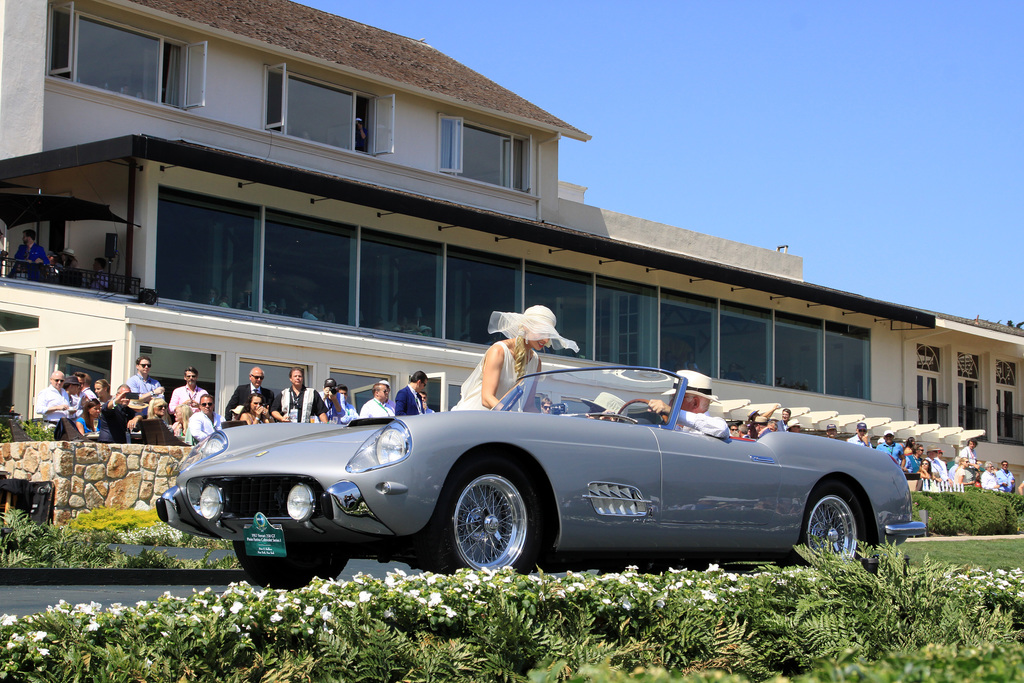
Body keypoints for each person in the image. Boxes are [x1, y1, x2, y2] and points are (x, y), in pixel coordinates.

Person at [452, 305, 578, 411]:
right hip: (471, 420)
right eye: (542, 332)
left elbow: (528, 406)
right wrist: (511, 418)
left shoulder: (536, 362)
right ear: (526, 327)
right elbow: (486, 398)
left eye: (549, 334)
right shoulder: (499, 351)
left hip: (499, 424)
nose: (546, 340)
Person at [646, 370, 729, 439]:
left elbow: (721, 429)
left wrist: (672, 412)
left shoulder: (714, 426)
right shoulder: (674, 425)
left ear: (695, 403)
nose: (671, 403)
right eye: (672, 398)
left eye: (676, 399)